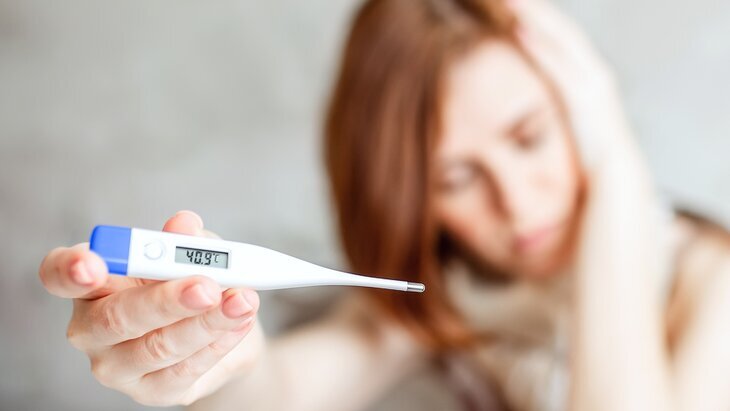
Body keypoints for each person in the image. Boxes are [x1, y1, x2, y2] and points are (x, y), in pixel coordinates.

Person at [38, 0, 730, 410]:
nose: (519, 205)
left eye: (531, 137)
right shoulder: (444, 297)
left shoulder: (711, 280)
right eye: (457, 177)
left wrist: (617, 174)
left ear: (585, 117)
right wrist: (217, 360)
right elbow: (276, 393)